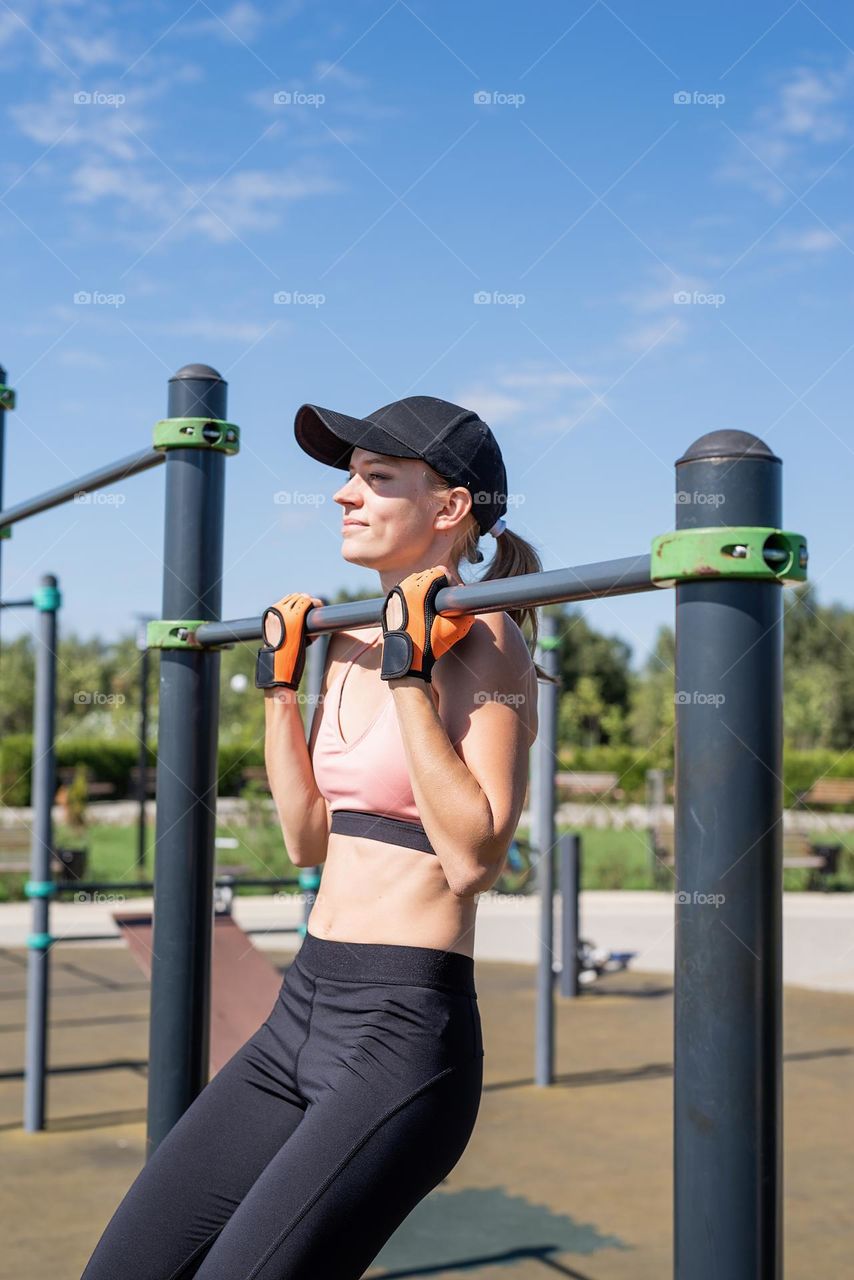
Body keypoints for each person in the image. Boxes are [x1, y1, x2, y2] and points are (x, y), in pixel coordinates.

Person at [81, 395, 549, 1280]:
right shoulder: (349, 639)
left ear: (450, 508)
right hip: (300, 1009)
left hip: (401, 1031)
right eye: (348, 479)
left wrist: (413, 676)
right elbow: (306, 839)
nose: (344, 497)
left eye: (376, 479)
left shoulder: (488, 642)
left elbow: (474, 858)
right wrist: (279, 692)